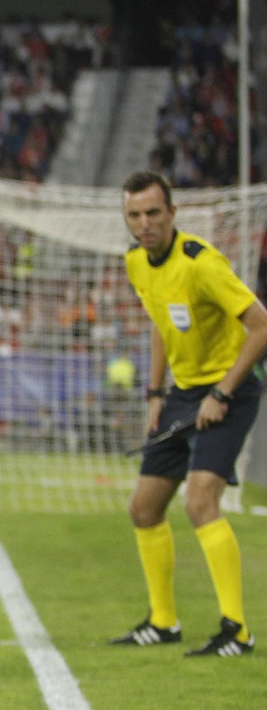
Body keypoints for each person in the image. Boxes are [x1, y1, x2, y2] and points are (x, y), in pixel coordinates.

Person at [112, 170, 266, 657]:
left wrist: (220, 393)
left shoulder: (202, 263)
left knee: (200, 502)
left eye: (153, 213)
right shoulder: (135, 261)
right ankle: (163, 622)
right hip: (181, 394)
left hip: (230, 390)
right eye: (135, 215)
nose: (145, 224)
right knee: (144, 508)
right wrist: (155, 394)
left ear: (173, 213)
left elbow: (262, 326)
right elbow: (161, 323)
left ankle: (237, 630)